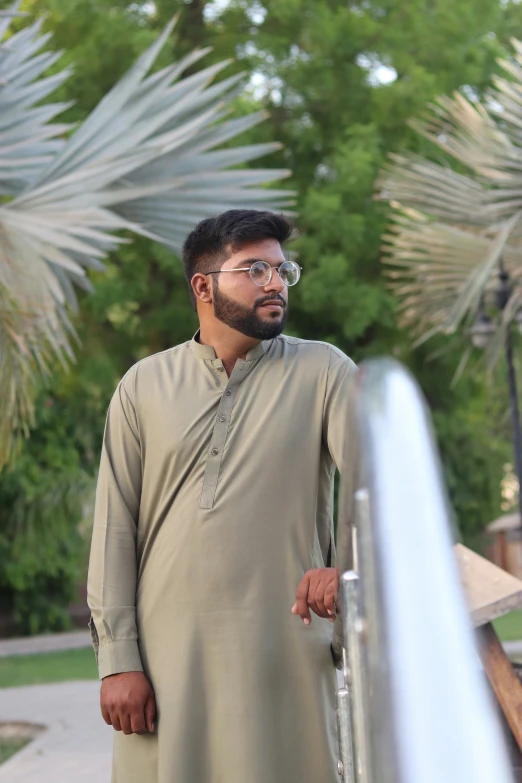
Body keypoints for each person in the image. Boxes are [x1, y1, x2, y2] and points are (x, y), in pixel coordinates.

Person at [87, 209, 357, 783]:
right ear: (203, 286)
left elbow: (376, 485)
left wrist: (345, 569)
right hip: (166, 664)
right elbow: (115, 528)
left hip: (284, 654)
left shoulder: (324, 372)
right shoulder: (143, 386)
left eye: (283, 270)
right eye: (254, 268)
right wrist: (117, 661)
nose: (275, 283)